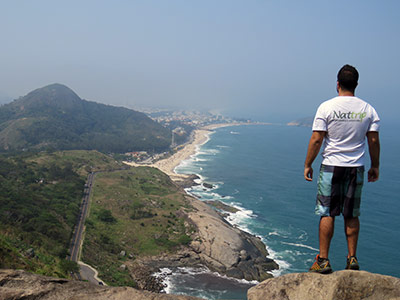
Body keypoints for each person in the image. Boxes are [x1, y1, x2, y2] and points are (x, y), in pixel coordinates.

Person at [304, 64, 380, 274]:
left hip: (331, 167)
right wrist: (375, 166)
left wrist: (308, 164)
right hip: (356, 167)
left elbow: (317, 139)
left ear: (337, 84)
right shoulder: (368, 109)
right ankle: (352, 258)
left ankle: (323, 260)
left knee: (327, 212)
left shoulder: (326, 107)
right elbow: (373, 141)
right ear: (356, 84)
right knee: (351, 214)